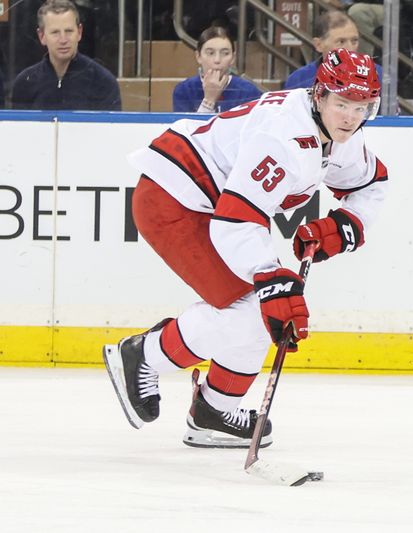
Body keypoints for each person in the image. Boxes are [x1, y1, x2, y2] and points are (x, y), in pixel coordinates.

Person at [103, 49, 387, 450]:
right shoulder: (282, 138)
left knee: (262, 311)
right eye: (342, 104)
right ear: (319, 95)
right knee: (260, 308)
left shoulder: (341, 132)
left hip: (213, 205)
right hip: (174, 199)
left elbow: (371, 185)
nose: (351, 117)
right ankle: (143, 354)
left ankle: (214, 412)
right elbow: (234, 221)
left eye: (362, 107)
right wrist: (269, 276)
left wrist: (348, 224)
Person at [11, 0, 121, 111]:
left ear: (79, 32)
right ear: (42, 36)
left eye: (69, 31)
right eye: (55, 32)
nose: (63, 40)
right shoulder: (25, 84)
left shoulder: (103, 82)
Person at [172, 26, 263, 113]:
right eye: (210, 53)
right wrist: (208, 101)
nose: (217, 60)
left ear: (233, 58)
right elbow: (186, 128)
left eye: (225, 53)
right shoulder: (184, 90)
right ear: (198, 56)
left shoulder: (249, 91)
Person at [284, 10, 382, 89]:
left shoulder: (377, 74)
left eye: (354, 41)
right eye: (341, 42)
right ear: (318, 45)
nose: (350, 49)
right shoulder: (298, 80)